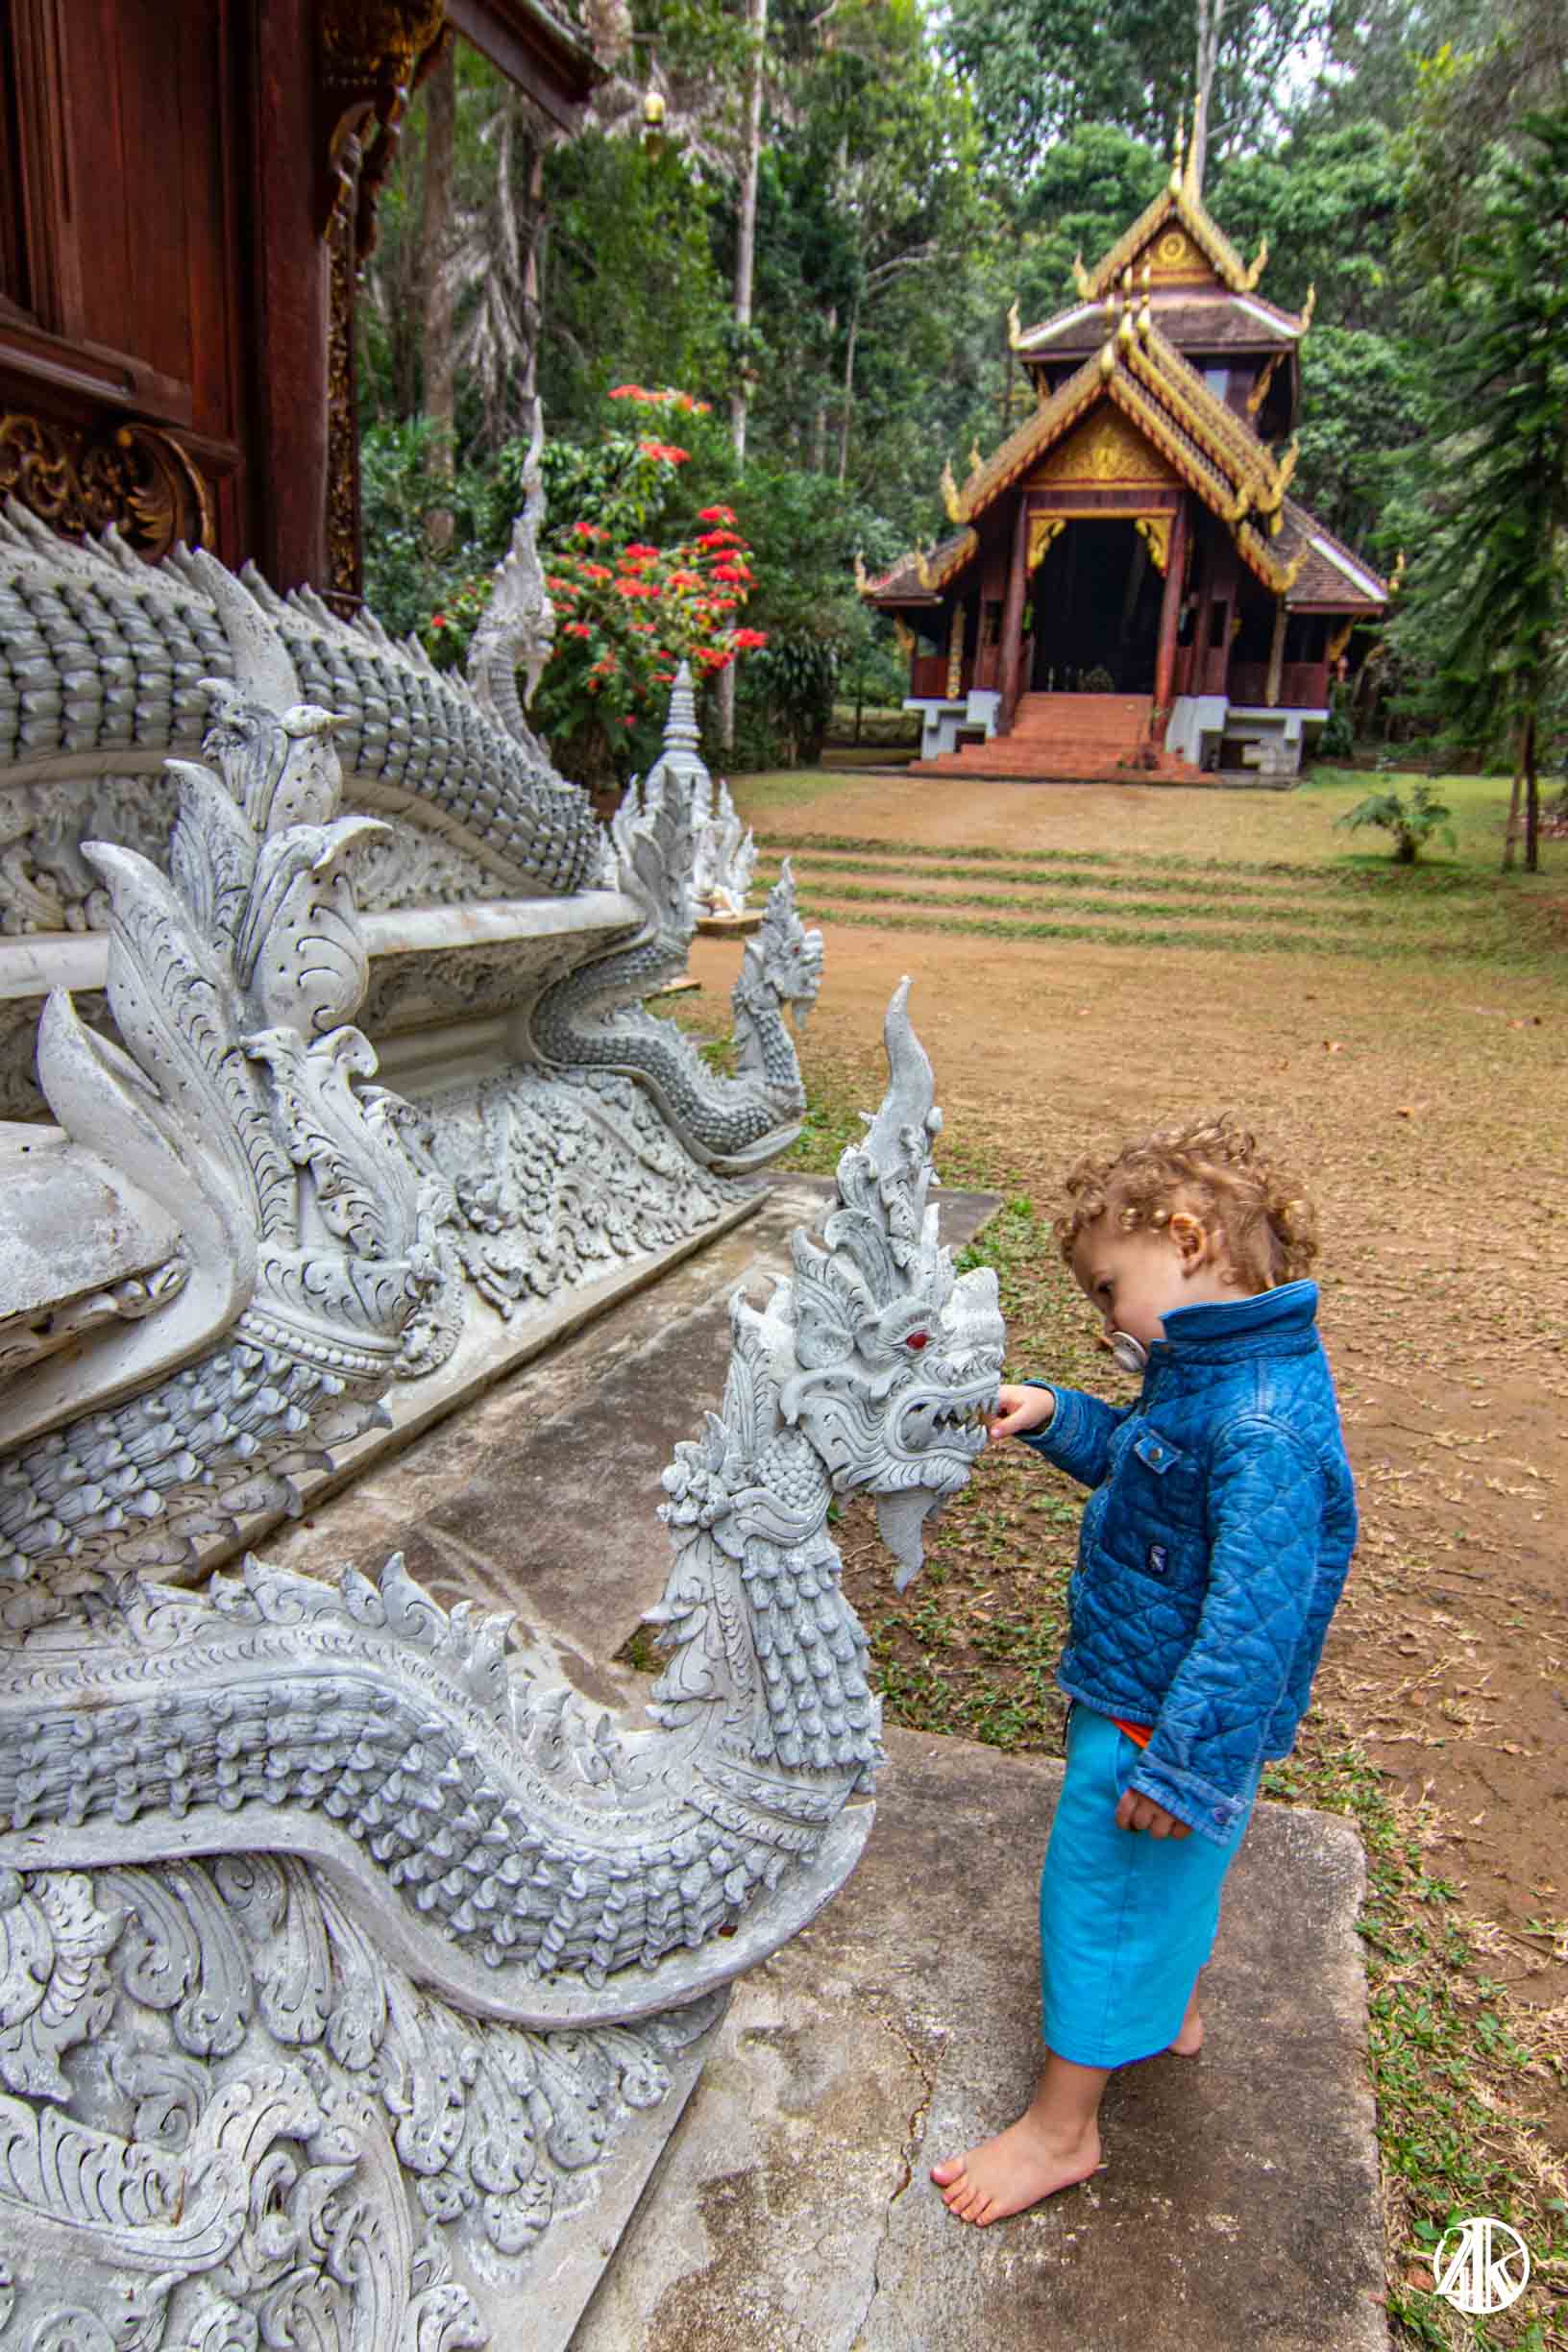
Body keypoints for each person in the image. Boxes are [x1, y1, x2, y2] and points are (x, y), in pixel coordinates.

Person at [931, 1115, 1357, 2227]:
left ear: (1187, 1241)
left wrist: (1183, 1768)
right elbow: (1145, 1464)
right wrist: (1057, 1416)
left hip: (1159, 1721)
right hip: (1152, 1697)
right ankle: (1167, 2012)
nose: (1106, 1317)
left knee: (1101, 1896)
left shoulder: (1258, 1422)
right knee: (1169, 1887)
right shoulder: (1220, 1370)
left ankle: (1061, 2130)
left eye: (1108, 1287)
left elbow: (1256, 1620)